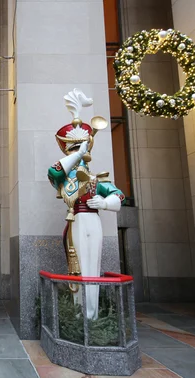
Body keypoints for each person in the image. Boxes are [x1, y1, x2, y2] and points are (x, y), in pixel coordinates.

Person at [47, 89, 125, 320]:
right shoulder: (64, 178)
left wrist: (104, 202)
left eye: (82, 147)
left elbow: (118, 196)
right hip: (76, 220)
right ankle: (80, 313)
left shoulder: (96, 178)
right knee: (77, 266)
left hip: (93, 220)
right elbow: (54, 172)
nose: (80, 153)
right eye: (73, 148)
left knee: (93, 265)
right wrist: (78, 153)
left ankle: (91, 315)